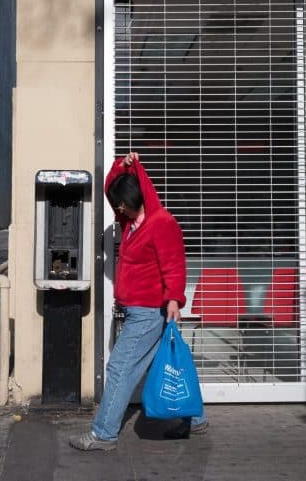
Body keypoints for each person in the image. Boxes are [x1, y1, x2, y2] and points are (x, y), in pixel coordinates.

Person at [69, 152, 207, 452]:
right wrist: (123, 165)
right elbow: (110, 189)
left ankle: (103, 434)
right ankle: (195, 420)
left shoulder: (160, 222)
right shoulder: (132, 220)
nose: (117, 208)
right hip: (142, 310)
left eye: (122, 203)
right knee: (166, 364)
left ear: (136, 199)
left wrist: (174, 300)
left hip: (148, 312)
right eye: (118, 204)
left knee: (119, 368)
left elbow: (174, 264)